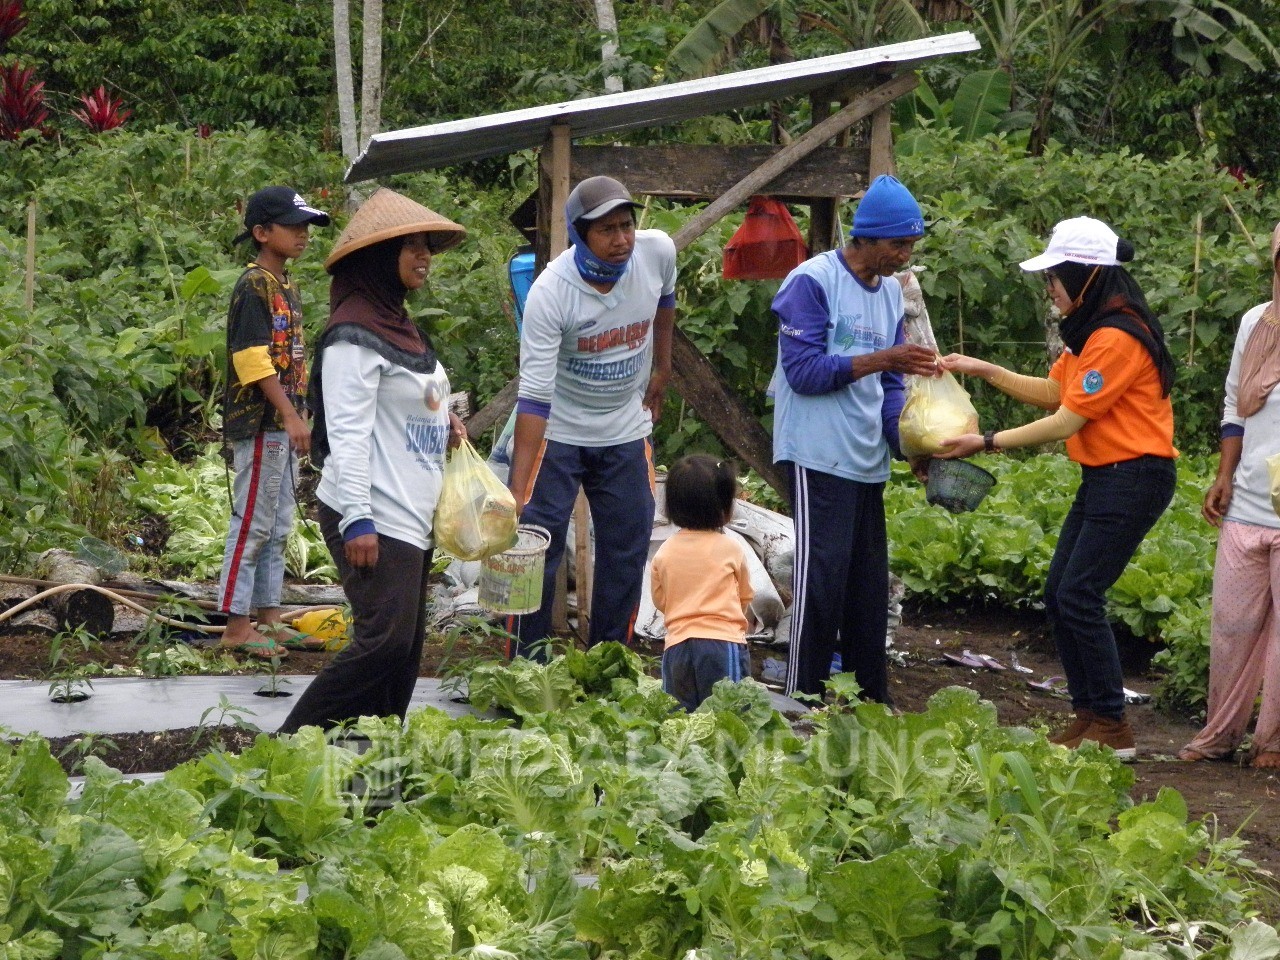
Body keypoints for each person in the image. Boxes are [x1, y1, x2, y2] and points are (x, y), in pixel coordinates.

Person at [938, 216, 1177, 761]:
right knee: (1060, 592)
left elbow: (1067, 421)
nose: (1048, 288)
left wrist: (988, 441)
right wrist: (983, 368)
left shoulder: (1115, 336)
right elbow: (1053, 391)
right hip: (1109, 475)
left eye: (1053, 277)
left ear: (1085, 275)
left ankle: (1113, 727)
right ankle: (1090, 715)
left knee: (1078, 593)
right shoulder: (1092, 330)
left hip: (1134, 476)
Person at [278, 188, 467, 733]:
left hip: (411, 513)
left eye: (426, 245)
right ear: (377, 258)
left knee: (405, 649)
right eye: (409, 246)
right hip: (372, 516)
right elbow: (349, 434)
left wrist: (444, 423)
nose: (423, 255)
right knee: (381, 642)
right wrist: (358, 518)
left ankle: (377, 753)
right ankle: (290, 744)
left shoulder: (397, 323)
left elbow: (411, 400)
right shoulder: (353, 338)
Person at [771, 174, 941, 703]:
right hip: (818, 455)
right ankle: (802, 700)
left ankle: (871, 699)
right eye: (898, 244)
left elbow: (891, 387)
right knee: (820, 587)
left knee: (867, 590)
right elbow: (803, 373)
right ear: (865, 238)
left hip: (867, 459)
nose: (904, 255)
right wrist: (883, 358)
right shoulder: (812, 282)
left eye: (911, 244)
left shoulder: (891, 293)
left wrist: (905, 443)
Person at [505, 176, 677, 659]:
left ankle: (609, 661)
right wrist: (519, 489)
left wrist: (662, 369)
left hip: (623, 426)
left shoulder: (656, 252)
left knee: (627, 540)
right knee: (537, 546)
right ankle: (526, 664)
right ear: (580, 235)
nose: (622, 240)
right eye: (607, 231)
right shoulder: (552, 293)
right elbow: (535, 396)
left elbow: (666, 300)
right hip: (558, 430)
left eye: (627, 226)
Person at [1178, 223, 1280, 767]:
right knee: (1232, 626)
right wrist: (1224, 474)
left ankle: (1274, 742)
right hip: (1247, 502)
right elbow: (1234, 408)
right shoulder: (1256, 323)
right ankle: (1219, 733)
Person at [218, 186, 330, 659]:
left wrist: (297, 413)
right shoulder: (254, 285)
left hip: (282, 424)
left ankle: (268, 616)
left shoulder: (285, 283)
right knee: (253, 523)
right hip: (262, 422)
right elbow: (251, 359)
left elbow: (291, 359)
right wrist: (287, 412)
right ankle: (236, 626)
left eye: (306, 226)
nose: (303, 234)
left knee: (280, 521)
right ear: (262, 233)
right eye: (293, 226)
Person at [651, 455, 755, 711]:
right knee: (729, 716)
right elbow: (744, 596)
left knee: (678, 719)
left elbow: (660, 599)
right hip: (722, 644)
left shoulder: (665, 551)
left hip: (677, 646)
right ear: (725, 508)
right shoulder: (731, 548)